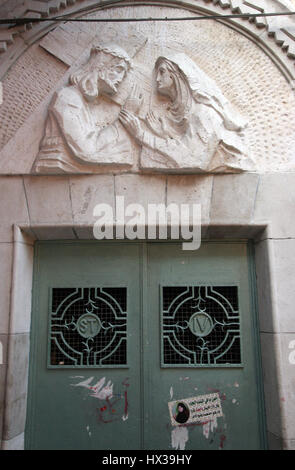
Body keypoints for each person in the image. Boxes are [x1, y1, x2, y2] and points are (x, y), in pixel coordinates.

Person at [119, 53, 253, 172]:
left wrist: (141, 135)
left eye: (162, 72)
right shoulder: (179, 113)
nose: (157, 79)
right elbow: (184, 143)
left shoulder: (204, 114)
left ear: (177, 76)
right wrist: (163, 133)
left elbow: (191, 157)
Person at [33, 44, 133, 173]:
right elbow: (86, 149)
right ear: (101, 65)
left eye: (124, 75)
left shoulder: (82, 101)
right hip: (59, 166)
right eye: (118, 70)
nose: (120, 79)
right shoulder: (68, 97)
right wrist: (123, 121)